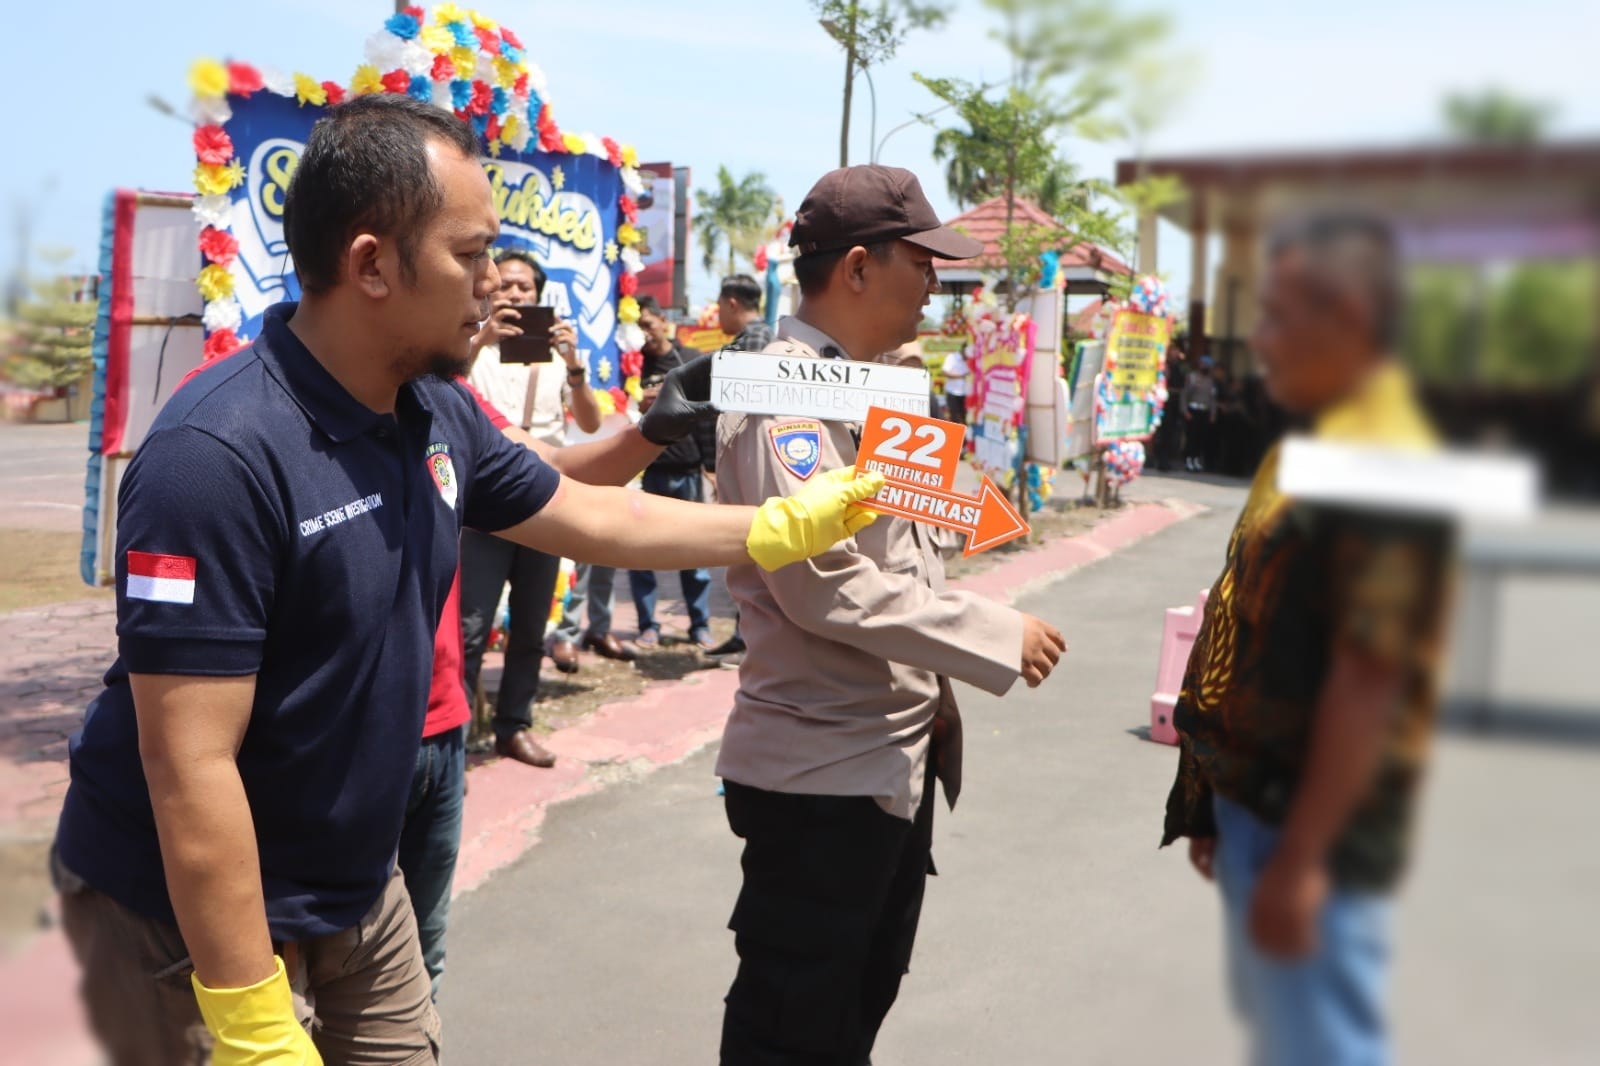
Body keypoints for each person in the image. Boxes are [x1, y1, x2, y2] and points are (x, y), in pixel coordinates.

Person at [51, 95, 882, 1066]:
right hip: (180, 919)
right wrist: (247, 1014)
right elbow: (187, 763)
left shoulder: (433, 408)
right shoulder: (215, 457)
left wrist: (779, 526)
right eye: (471, 254)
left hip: (356, 885)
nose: (495, 284)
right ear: (370, 264)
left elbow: (592, 512)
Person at [713, 164, 1068, 1065]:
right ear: (860, 270)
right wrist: (995, 635)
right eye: (923, 266)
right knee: (795, 1024)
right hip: (821, 772)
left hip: (883, 764)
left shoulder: (870, 386)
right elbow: (821, 584)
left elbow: (952, 533)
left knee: (857, 1004)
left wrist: (919, 414)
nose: (937, 288)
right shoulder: (782, 392)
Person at [1161, 213, 1454, 1066]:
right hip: (1260, 804)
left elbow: (1371, 681)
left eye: (1283, 317)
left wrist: (1303, 863)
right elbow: (1240, 619)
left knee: (1322, 1044)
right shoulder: (1311, 444)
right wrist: (1213, 796)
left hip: (1313, 826)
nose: (1263, 339)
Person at [458, 249, 597, 767]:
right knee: (470, 628)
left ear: (539, 295)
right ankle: (456, 736)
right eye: (508, 286)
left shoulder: (558, 354)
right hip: (485, 502)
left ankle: (513, 727)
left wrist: (577, 368)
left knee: (532, 626)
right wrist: (481, 342)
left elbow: (587, 423)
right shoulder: (469, 345)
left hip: (546, 500)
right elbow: (442, 390)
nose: (516, 295)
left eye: (526, 288)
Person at [631, 295, 717, 649]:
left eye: (648, 325)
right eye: (636, 329)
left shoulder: (688, 361)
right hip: (645, 473)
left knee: (693, 552)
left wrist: (711, 467)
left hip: (686, 471)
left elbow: (706, 418)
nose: (644, 335)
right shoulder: (630, 365)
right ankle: (647, 625)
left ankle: (699, 625)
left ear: (663, 322)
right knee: (638, 552)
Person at [703, 274, 778, 666]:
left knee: (752, 555)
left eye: (718, 306)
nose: (717, 314)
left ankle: (751, 642)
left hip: (752, 466)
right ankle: (743, 635)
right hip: (758, 465)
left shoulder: (752, 342)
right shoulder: (771, 337)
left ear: (732, 303)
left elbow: (734, 409)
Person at [1182, 354, 1219, 471]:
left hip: (1204, 410)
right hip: (1193, 409)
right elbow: (1184, 395)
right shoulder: (1192, 377)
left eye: (1207, 365)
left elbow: (1212, 398)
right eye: (1203, 365)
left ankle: (1196, 459)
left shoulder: (1211, 381)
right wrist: (1185, 411)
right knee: (1191, 436)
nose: (1205, 367)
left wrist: (1213, 413)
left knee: (1200, 437)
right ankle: (1188, 460)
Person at [942, 343, 971, 429]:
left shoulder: (971, 360)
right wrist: (962, 376)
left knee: (966, 418)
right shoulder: (952, 358)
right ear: (963, 350)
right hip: (953, 393)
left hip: (966, 394)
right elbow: (945, 372)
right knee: (955, 419)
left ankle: (966, 440)